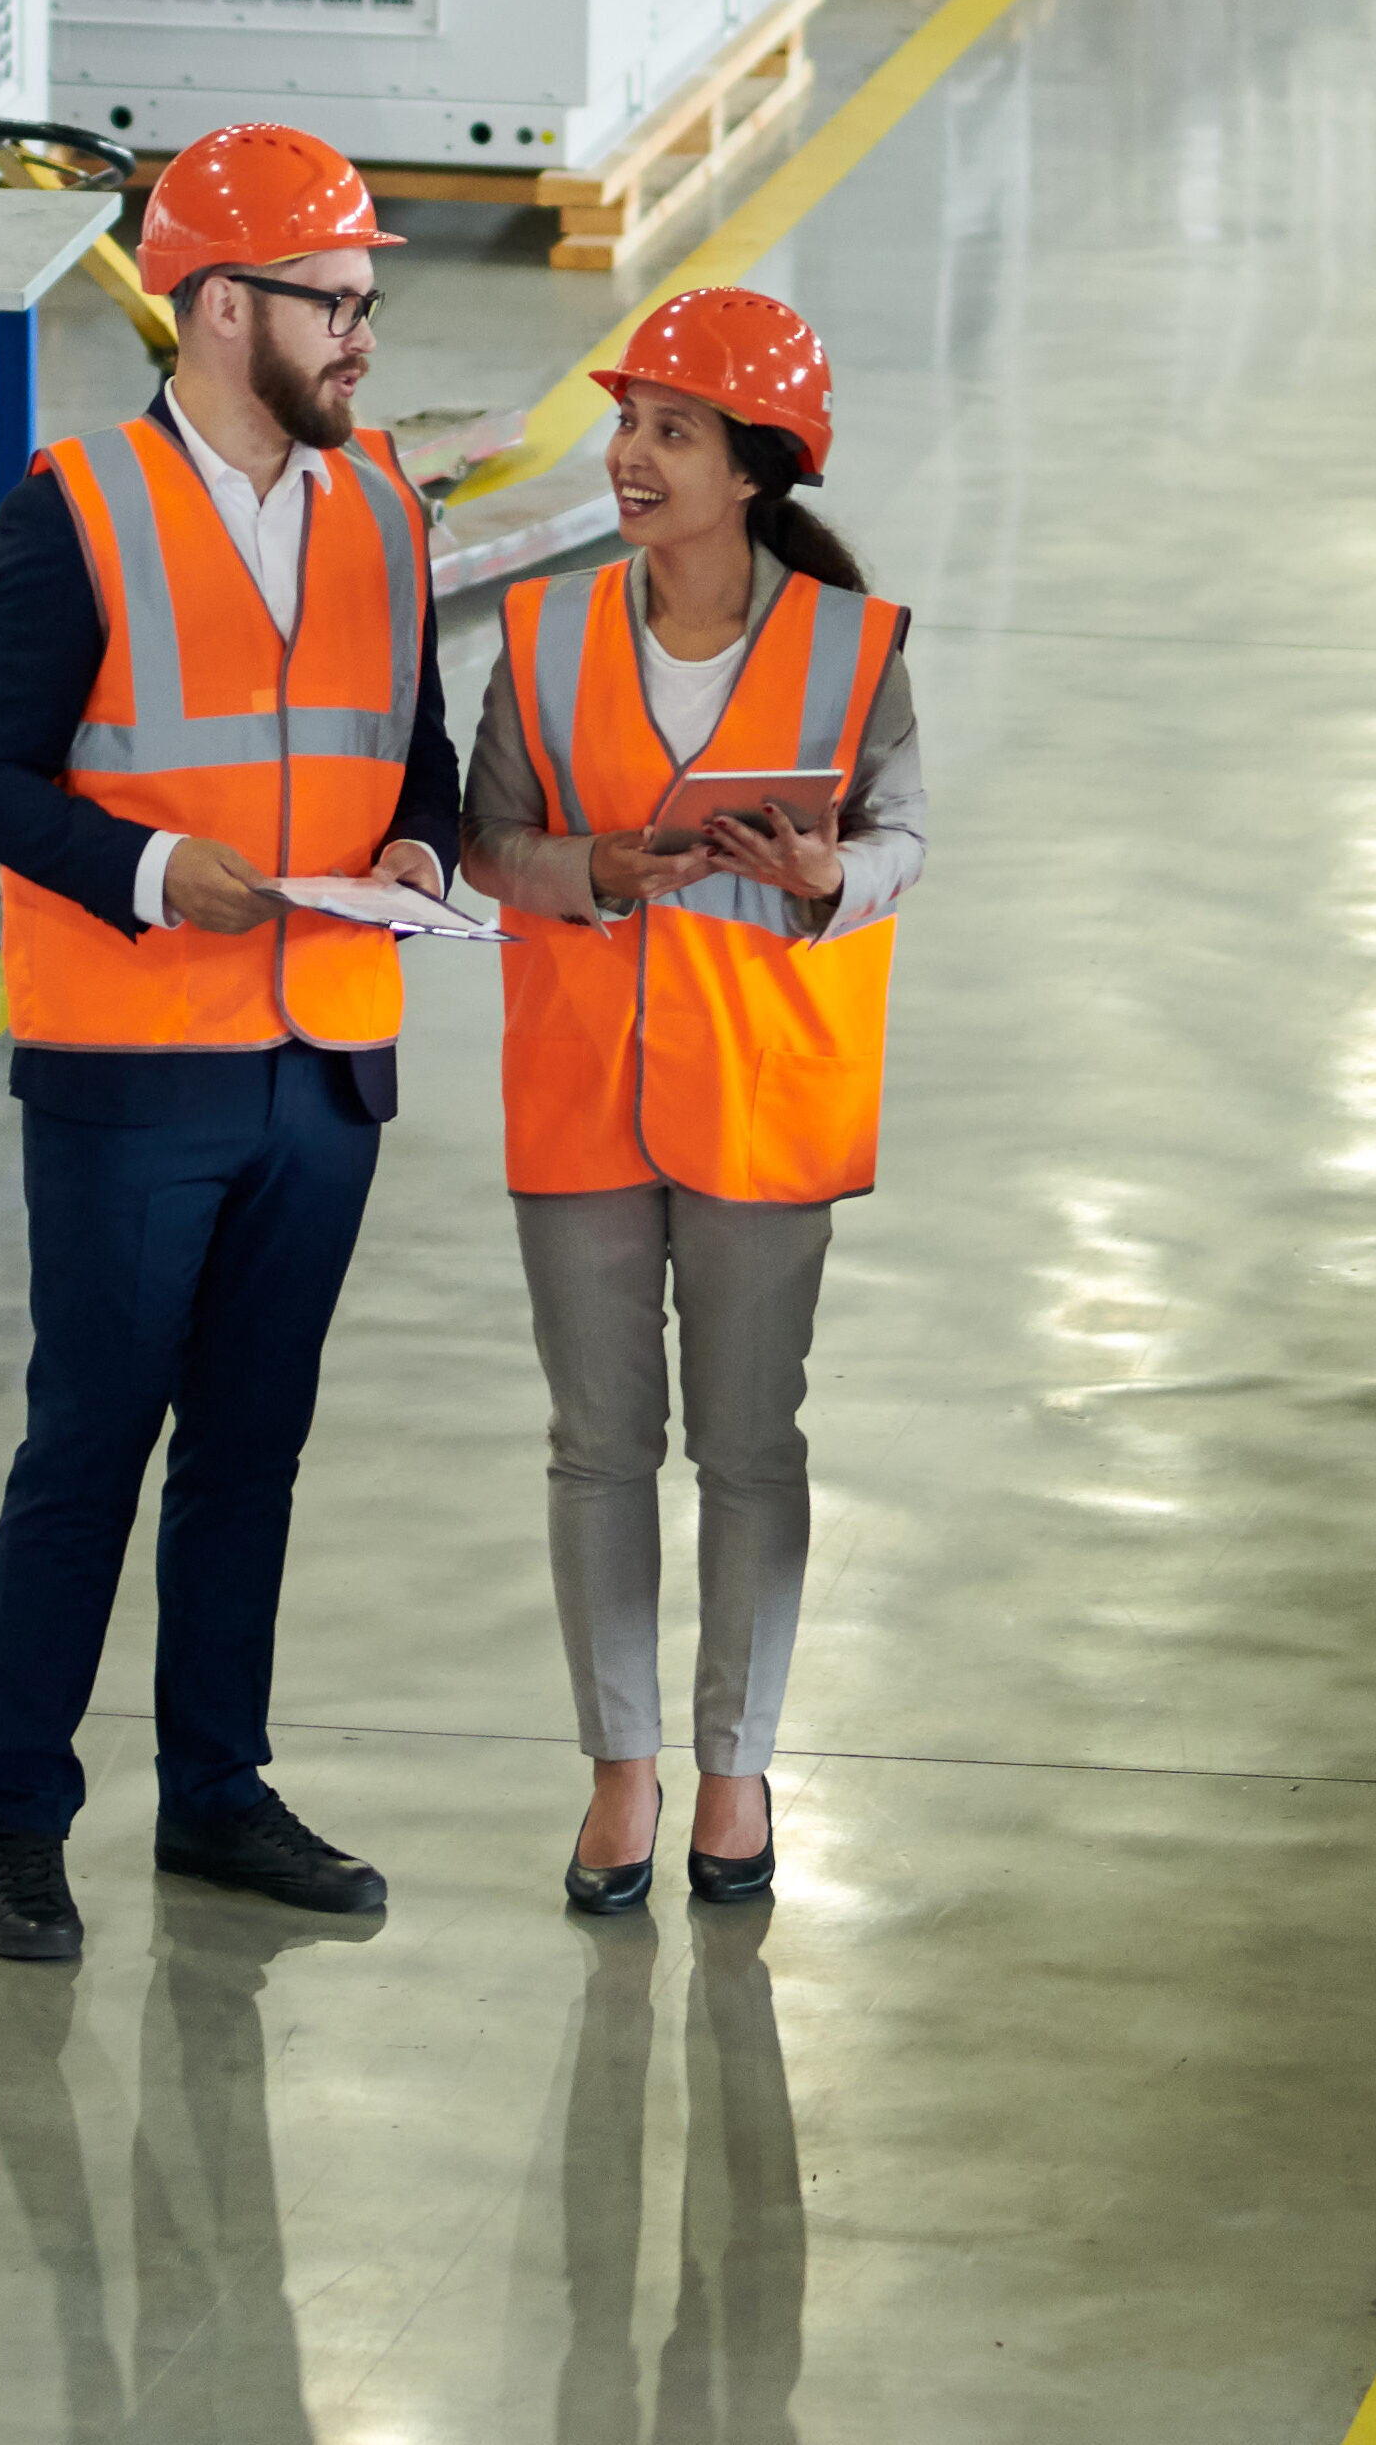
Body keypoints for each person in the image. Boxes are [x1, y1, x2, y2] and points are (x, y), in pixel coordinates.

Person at [0, 121, 463, 1964]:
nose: (363, 341)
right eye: (336, 303)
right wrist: (156, 871)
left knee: (253, 1448)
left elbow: (427, 759)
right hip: (134, 1072)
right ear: (220, 306)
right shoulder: (75, 511)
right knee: (89, 1447)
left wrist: (422, 847)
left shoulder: (390, 508)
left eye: (370, 305)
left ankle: (219, 1795)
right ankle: (22, 1823)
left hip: (322, 1069)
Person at [463, 287, 924, 1913]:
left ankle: (738, 1775)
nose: (631, 456)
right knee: (597, 1448)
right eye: (630, 423)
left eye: (672, 430)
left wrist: (827, 875)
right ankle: (621, 1774)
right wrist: (587, 866)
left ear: (753, 471)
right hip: (583, 1085)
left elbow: (904, 841)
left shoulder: (849, 649)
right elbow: (485, 838)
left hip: (759, 1094)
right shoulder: (546, 634)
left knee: (747, 1446)